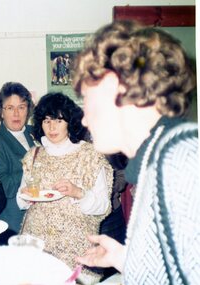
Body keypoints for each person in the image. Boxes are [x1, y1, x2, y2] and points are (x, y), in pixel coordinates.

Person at [73, 21, 199, 284]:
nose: (84, 119)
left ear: (115, 84)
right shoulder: (157, 158)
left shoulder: (181, 159)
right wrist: (125, 258)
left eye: (86, 97)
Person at [17, 92, 113, 285]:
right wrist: (26, 196)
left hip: (76, 249)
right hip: (36, 246)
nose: (52, 128)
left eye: (59, 121)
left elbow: (103, 206)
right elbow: (21, 201)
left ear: (70, 122)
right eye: (47, 121)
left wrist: (78, 192)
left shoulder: (90, 155)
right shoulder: (33, 155)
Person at [0, 82, 35, 236]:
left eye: (21, 107)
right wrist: (34, 167)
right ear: (1, 112)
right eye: (10, 108)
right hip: (13, 225)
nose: (16, 114)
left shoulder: (37, 133)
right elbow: (3, 187)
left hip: (41, 219)